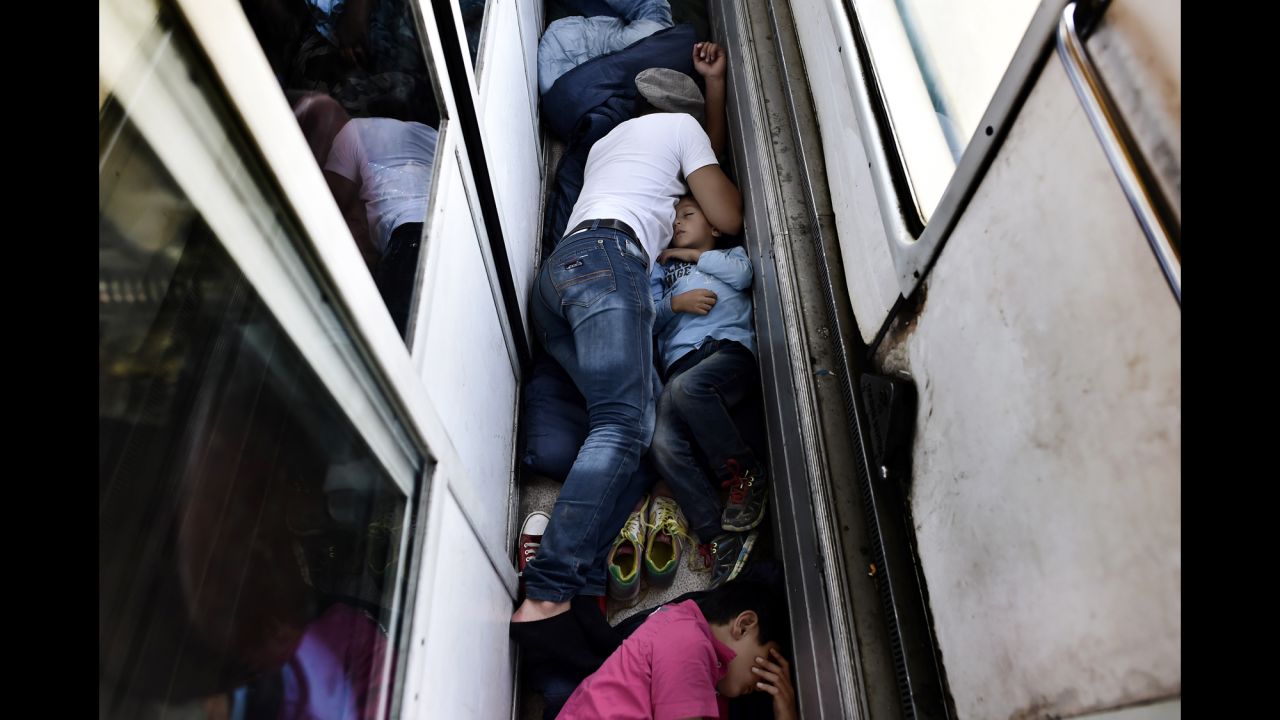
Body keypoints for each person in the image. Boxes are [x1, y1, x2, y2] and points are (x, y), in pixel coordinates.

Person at [511, 41, 741, 668]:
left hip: (558, 281)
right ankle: (547, 593)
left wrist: (712, 89)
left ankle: (582, 586)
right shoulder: (682, 130)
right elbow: (727, 209)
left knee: (635, 427)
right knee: (620, 426)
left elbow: (698, 159)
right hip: (612, 266)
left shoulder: (613, 145)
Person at [648, 192, 766, 589]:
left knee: (687, 390)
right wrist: (676, 304)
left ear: (714, 226)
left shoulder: (728, 256)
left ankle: (744, 474)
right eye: (674, 218)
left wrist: (695, 258)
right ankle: (718, 538)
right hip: (681, 363)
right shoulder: (661, 270)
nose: (678, 223)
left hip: (726, 350)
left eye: (688, 214)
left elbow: (744, 276)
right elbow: (648, 318)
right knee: (661, 442)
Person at [556, 579, 798, 720]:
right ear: (744, 625)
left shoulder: (713, 690)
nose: (761, 684)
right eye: (768, 659)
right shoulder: (688, 640)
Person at [322, 113, 439, 335]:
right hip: (446, 233)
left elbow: (330, 206)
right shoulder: (432, 132)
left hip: (410, 240)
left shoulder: (355, 130)